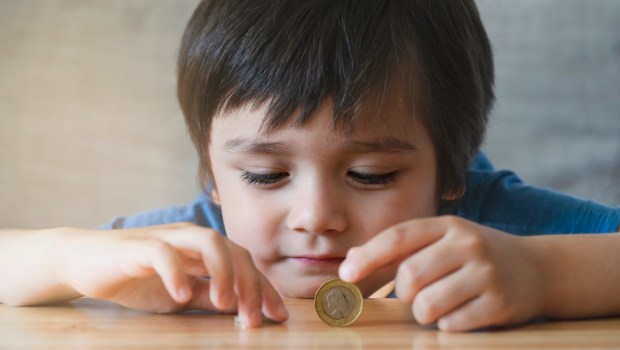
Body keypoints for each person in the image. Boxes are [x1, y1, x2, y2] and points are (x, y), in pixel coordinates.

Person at [1, 0, 619, 331]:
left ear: (452, 167)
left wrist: (545, 274)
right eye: (266, 176)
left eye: (372, 174)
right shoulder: (195, 250)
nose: (315, 217)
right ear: (212, 175)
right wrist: (68, 257)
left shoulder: (495, 229)